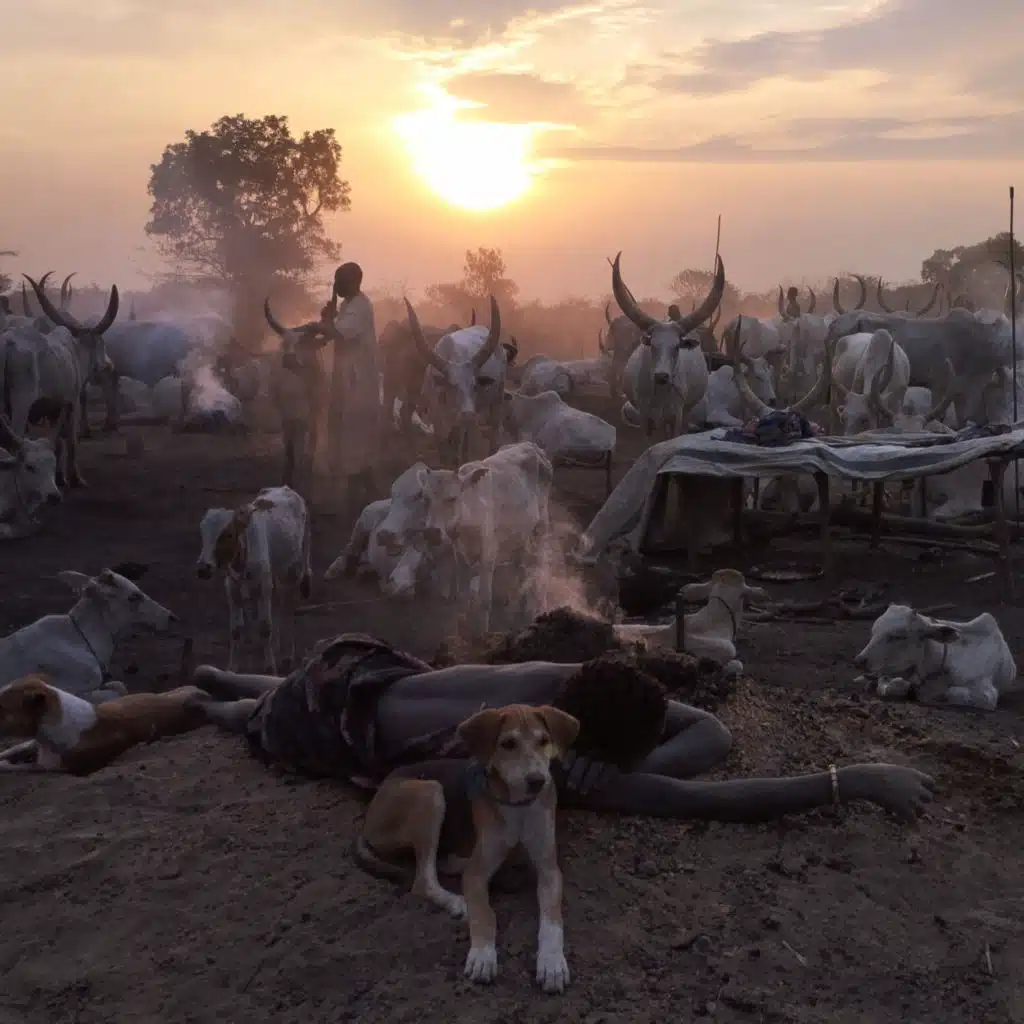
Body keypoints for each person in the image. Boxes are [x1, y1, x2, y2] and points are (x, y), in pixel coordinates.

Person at [192, 635, 936, 824]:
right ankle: (210, 704)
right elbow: (715, 800)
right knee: (242, 721)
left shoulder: (569, 680)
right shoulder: (537, 746)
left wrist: (646, 762)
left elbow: (709, 730)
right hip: (324, 727)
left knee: (301, 690)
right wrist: (851, 780)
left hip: (356, 667)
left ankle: (229, 677)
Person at [319, 263, 381, 508]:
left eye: (339, 281)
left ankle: (360, 491)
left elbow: (339, 334)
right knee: (348, 431)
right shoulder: (347, 306)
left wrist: (325, 322)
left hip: (358, 380)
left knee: (355, 431)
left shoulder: (359, 307)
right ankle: (360, 484)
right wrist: (330, 317)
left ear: (354, 282)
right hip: (348, 378)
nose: (335, 286)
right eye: (335, 281)